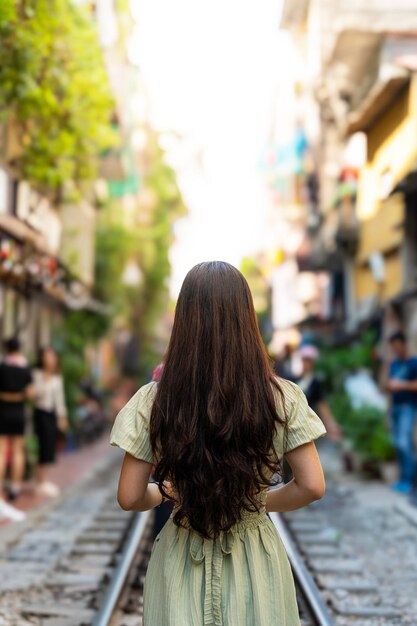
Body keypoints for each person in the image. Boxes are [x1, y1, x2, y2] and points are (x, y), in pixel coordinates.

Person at [111, 261, 326, 625]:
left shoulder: (154, 400)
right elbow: (312, 486)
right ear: (246, 321)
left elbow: (130, 496)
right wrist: (255, 502)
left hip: (180, 558)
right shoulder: (281, 397)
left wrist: (168, 491)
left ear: (184, 323)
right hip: (256, 558)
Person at [0, 337, 33, 522]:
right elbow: (30, 394)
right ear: (19, 349)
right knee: (18, 449)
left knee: (2, 450)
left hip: (3, 411)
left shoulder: (2, 368)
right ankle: (15, 486)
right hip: (19, 412)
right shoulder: (24, 369)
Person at [33, 347, 68, 497]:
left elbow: (59, 400)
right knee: (43, 446)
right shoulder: (37, 374)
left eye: (52, 356)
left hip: (51, 415)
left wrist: (62, 417)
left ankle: (44, 480)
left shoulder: (57, 378)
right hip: (40, 413)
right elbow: (36, 394)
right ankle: (39, 482)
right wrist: (46, 379)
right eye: (47, 356)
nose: (50, 359)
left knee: (50, 446)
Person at [386, 331, 417, 493]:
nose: (396, 349)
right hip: (396, 407)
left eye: (398, 346)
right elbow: (388, 385)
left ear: (404, 344)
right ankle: (404, 479)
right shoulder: (394, 364)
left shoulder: (413, 363)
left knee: (403, 442)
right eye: (393, 347)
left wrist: (401, 385)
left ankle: (410, 480)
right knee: (398, 444)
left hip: (408, 406)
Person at [297, 344, 341, 441]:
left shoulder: (315, 382)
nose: (306, 363)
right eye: (305, 360)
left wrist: (330, 424)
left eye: (309, 361)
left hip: (307, 426)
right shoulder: (293, 379)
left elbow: (321, 404)